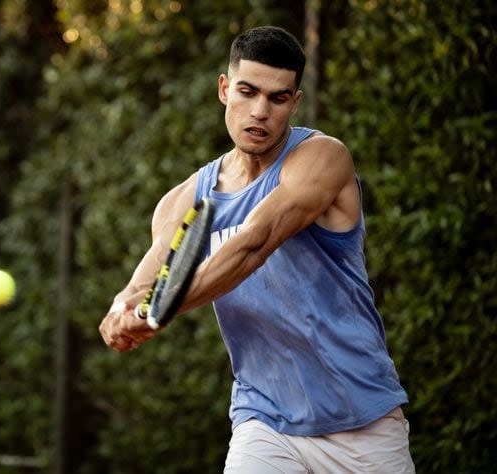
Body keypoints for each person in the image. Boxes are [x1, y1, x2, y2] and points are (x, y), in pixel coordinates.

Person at [99, 26, 415, 473]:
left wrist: (160, 310)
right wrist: (120, 312)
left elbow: (254, 243)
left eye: (278, 98)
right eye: (247, 92)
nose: (261, 111)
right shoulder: (184, 199)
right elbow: (147, 278)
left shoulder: (322, 159)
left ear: (295, 102)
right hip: (264, 420)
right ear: (224, 89)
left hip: (360, 424)